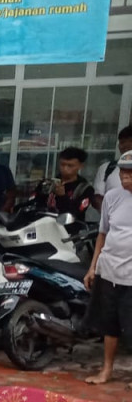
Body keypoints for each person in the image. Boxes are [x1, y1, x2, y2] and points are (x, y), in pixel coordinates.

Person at [84, 150, 132, 386]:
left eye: (130, 174)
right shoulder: (112, 197)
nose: (126, 178)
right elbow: (103, 234)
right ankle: (107, 369)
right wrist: (93, 267)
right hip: (109, 269)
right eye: (123, 173)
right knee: (109, 324)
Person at [32, 147, 95, 216]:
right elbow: (33, 204)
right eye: (62, 164)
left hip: (69, 225)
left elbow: (76, 212)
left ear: (80, 166)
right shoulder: (49, 182)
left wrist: (62, 196)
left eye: (70, 166)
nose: (65, 169)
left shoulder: (84, 189)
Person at [93, 125, 132, 212]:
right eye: (122, 142)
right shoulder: (107, 168)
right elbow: (97, 197)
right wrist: (109, 215)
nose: (126, 145)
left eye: (130, 141)